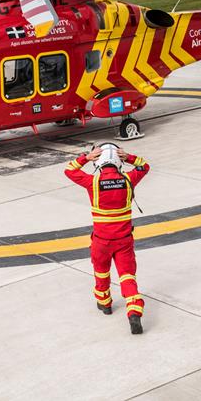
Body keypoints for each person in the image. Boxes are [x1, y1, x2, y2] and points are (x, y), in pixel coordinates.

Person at [65, 142, 150, 334]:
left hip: (101, 241)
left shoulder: (93, 183)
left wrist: (85, 158)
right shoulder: (128, 180)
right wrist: (128, 157)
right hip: (124, 240)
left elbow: (69, 170)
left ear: (99, 163)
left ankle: (105, 304)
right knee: (127, 276)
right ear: (117, 162)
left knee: (101, 271)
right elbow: (144, 166)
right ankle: (134, 311)